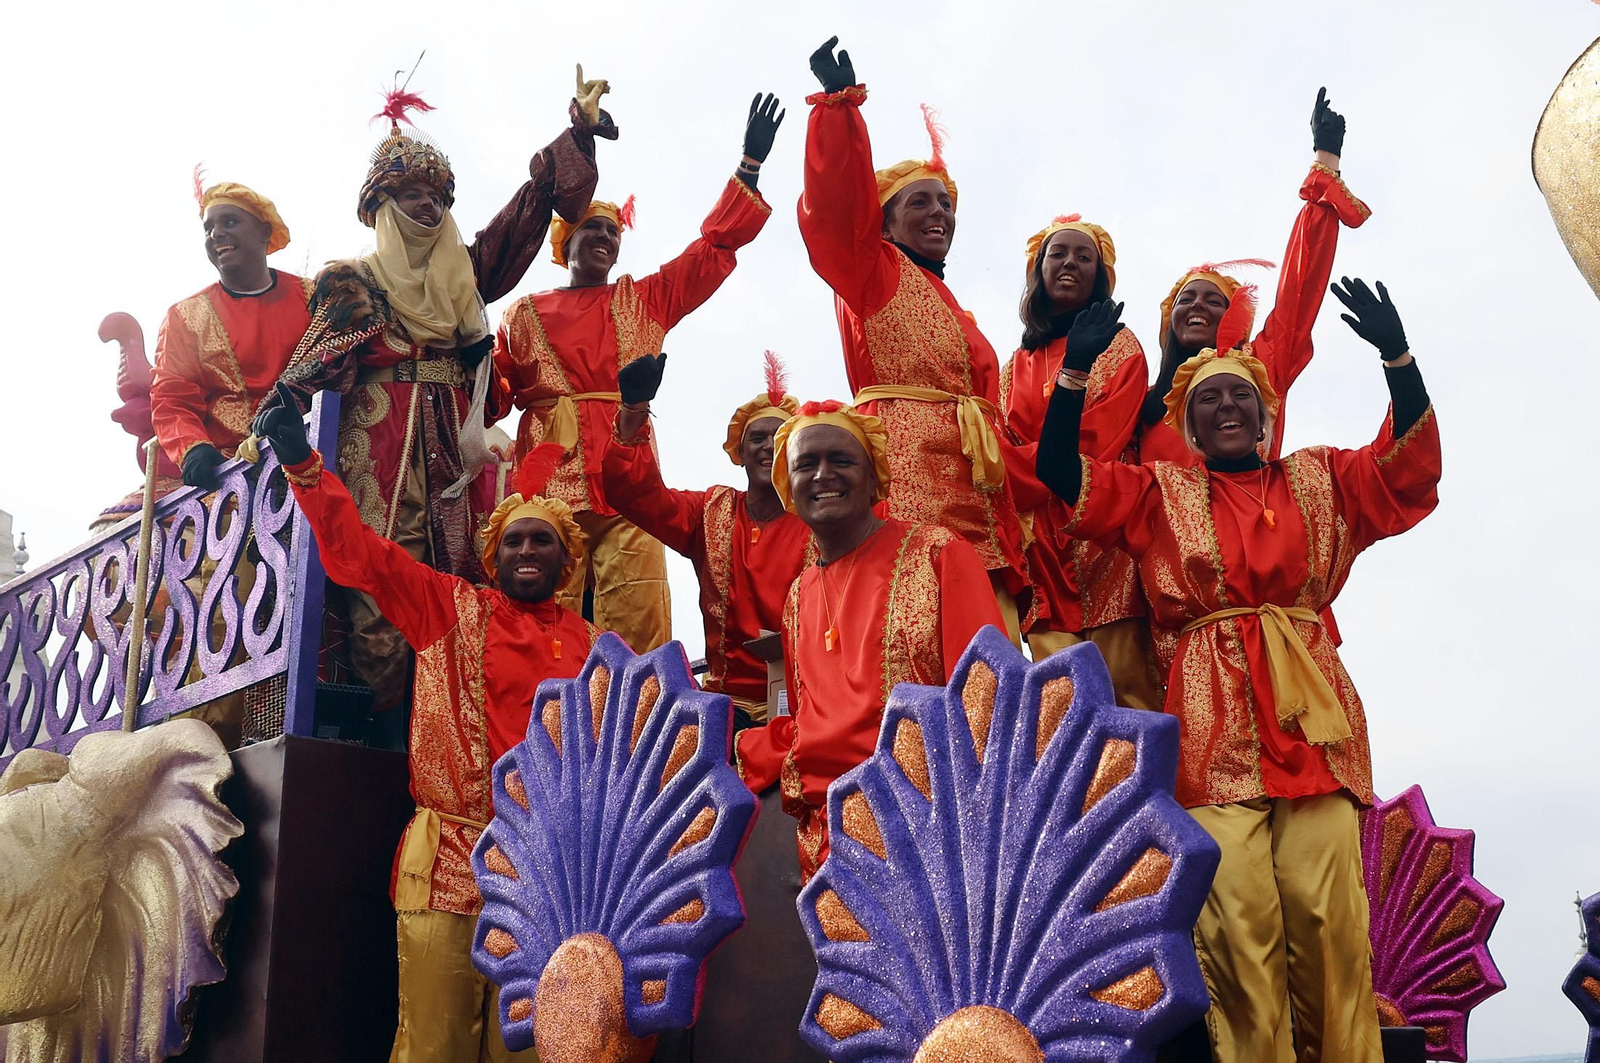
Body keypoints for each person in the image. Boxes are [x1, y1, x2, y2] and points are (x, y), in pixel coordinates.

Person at [1035, 280, 1439, 1060]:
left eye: (1241, 396)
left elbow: (1409, 465)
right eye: (1209, 399)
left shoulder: (1318, 479)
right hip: (1211, 738)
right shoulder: (1160, 492)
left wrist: (1399, 359)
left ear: (1265, 413)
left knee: (1329, 923)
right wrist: (1073, 375)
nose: (1227, 407)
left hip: (1312, 732)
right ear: (1187, 424)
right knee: (1239, 926)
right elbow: (1060, 474)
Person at [260, 69, 614, 728]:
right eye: (412, 195)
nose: (428, 207)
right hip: (381, 458)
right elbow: (306, 369)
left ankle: (457, 729)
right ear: (381, 205)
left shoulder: (464, 280)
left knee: (466, 593)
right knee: (377, 586)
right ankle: (386, 729)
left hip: (454, 460)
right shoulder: (354, 280)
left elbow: (523, 218)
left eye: (438, 197)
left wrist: (576, 138)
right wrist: (277, 418)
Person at [255, 382, 594, 1063]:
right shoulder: (449, 607)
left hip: (550, 872)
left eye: (544, 541)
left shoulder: (597, 650)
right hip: (449, 860)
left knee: (529, 1047)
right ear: (495, 557)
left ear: (567, 560)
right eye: (516, 540)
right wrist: (304, 468)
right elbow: (359, 554)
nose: (528, 550)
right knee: (431, 1043)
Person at [490, 92, 782, 654]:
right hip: (549, 483)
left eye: (612, 234)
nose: (604, 239)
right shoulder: (522, 313)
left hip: (631, 479)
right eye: (592, 231)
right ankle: (539, 726)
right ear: (564, 244)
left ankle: (642, 730)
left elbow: (713, 250)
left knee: (640, 622)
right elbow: (492, 395)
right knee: (545, 620)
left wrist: (749, 166)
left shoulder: (644, 299)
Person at [797, 38, 1029, 644]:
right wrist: (838, 111)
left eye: (947, 204)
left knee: (990, 654)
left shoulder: (959, 309)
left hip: (973, 495)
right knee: (911, 630)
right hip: (905, 481)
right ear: (883, 220)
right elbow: (833, 211)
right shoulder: (870, 272)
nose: (939, 213)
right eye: (919, 202)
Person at [735, 401, 1002, 881]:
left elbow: (988, 698)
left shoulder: (939, 553)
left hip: (933, 830)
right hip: (831, 842)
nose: (822, 475)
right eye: (805, 464)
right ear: (787, 487)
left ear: (873, 476)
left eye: (841, 460)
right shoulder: (799, 595)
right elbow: (805, 719)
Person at [1137, 88, 1370, 465]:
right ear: (1168, 319)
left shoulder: (1261, 369)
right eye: (1187, 299)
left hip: (1256, 520)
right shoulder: (1141, 405)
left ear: (1236, 320)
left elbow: (1300, 287)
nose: (1198, 305)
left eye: (1214, 300)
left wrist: (1326, 157)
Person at [1000, 219, 1163, 709]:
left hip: (1105, 545)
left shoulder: (1120, 345)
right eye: (1058, 254)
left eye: (1083, 256)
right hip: (1041, 552)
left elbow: (1100, 441)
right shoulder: (1017, 363)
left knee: (1131, 697)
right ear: (1038, 268)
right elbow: (1002, 451)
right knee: (1060, 707)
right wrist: (1043, 465)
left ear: (1100, 275)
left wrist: (1045, 464)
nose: (1069, 262)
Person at [601, 351, 813, 724]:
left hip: (805, 705)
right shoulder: (713, 510)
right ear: (740, 453)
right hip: (725, 707)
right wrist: (633, 411)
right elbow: (635, 494)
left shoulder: (820, 519)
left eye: (779, 438)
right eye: (757, 438)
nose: (767, 446)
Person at [151, 180, 311, 488]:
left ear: (265, 232)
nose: (216, 234)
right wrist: (193, 448)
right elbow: (171, 398)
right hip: (228, 478)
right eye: (208, 228)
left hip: (312, 459)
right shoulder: (185, 317)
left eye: (230, 222)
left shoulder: (313, 296)